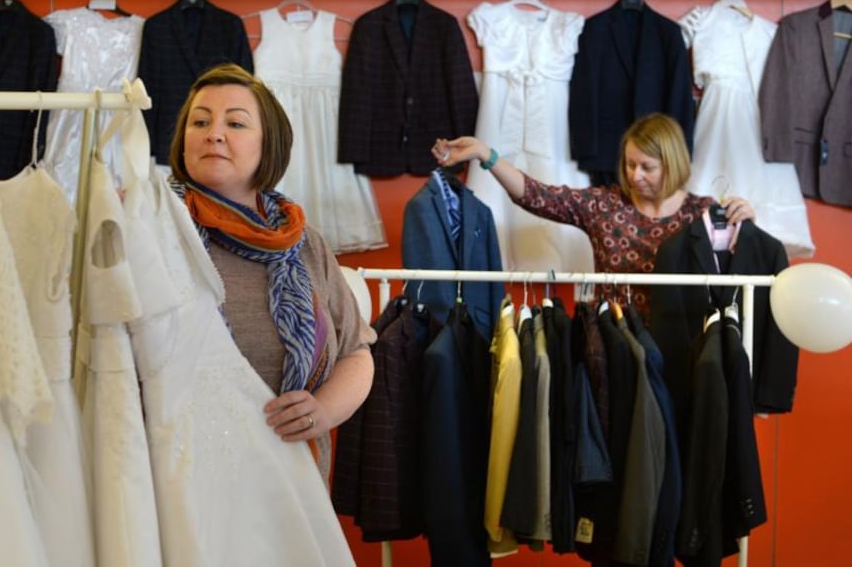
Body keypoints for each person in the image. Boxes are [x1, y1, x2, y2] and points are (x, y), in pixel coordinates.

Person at [168, 63, 376, 481]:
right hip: (181, 480)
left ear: (270, 144)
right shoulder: (154, 229)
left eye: (236, 123)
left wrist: (322, 412)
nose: (214, 133)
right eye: (200, 121)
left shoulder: (303, 243)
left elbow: (356, 353)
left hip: (292, 481)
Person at [433, 113, 757, 317]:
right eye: (630, 164)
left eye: (647, 167)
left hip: (680, 351)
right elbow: (536, 195)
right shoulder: (606, 204)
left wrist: (747, 226)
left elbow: (739, 272)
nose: (635, 175)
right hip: (611, 344)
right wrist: (484, 155)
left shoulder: (702, 212)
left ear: (672, 163)